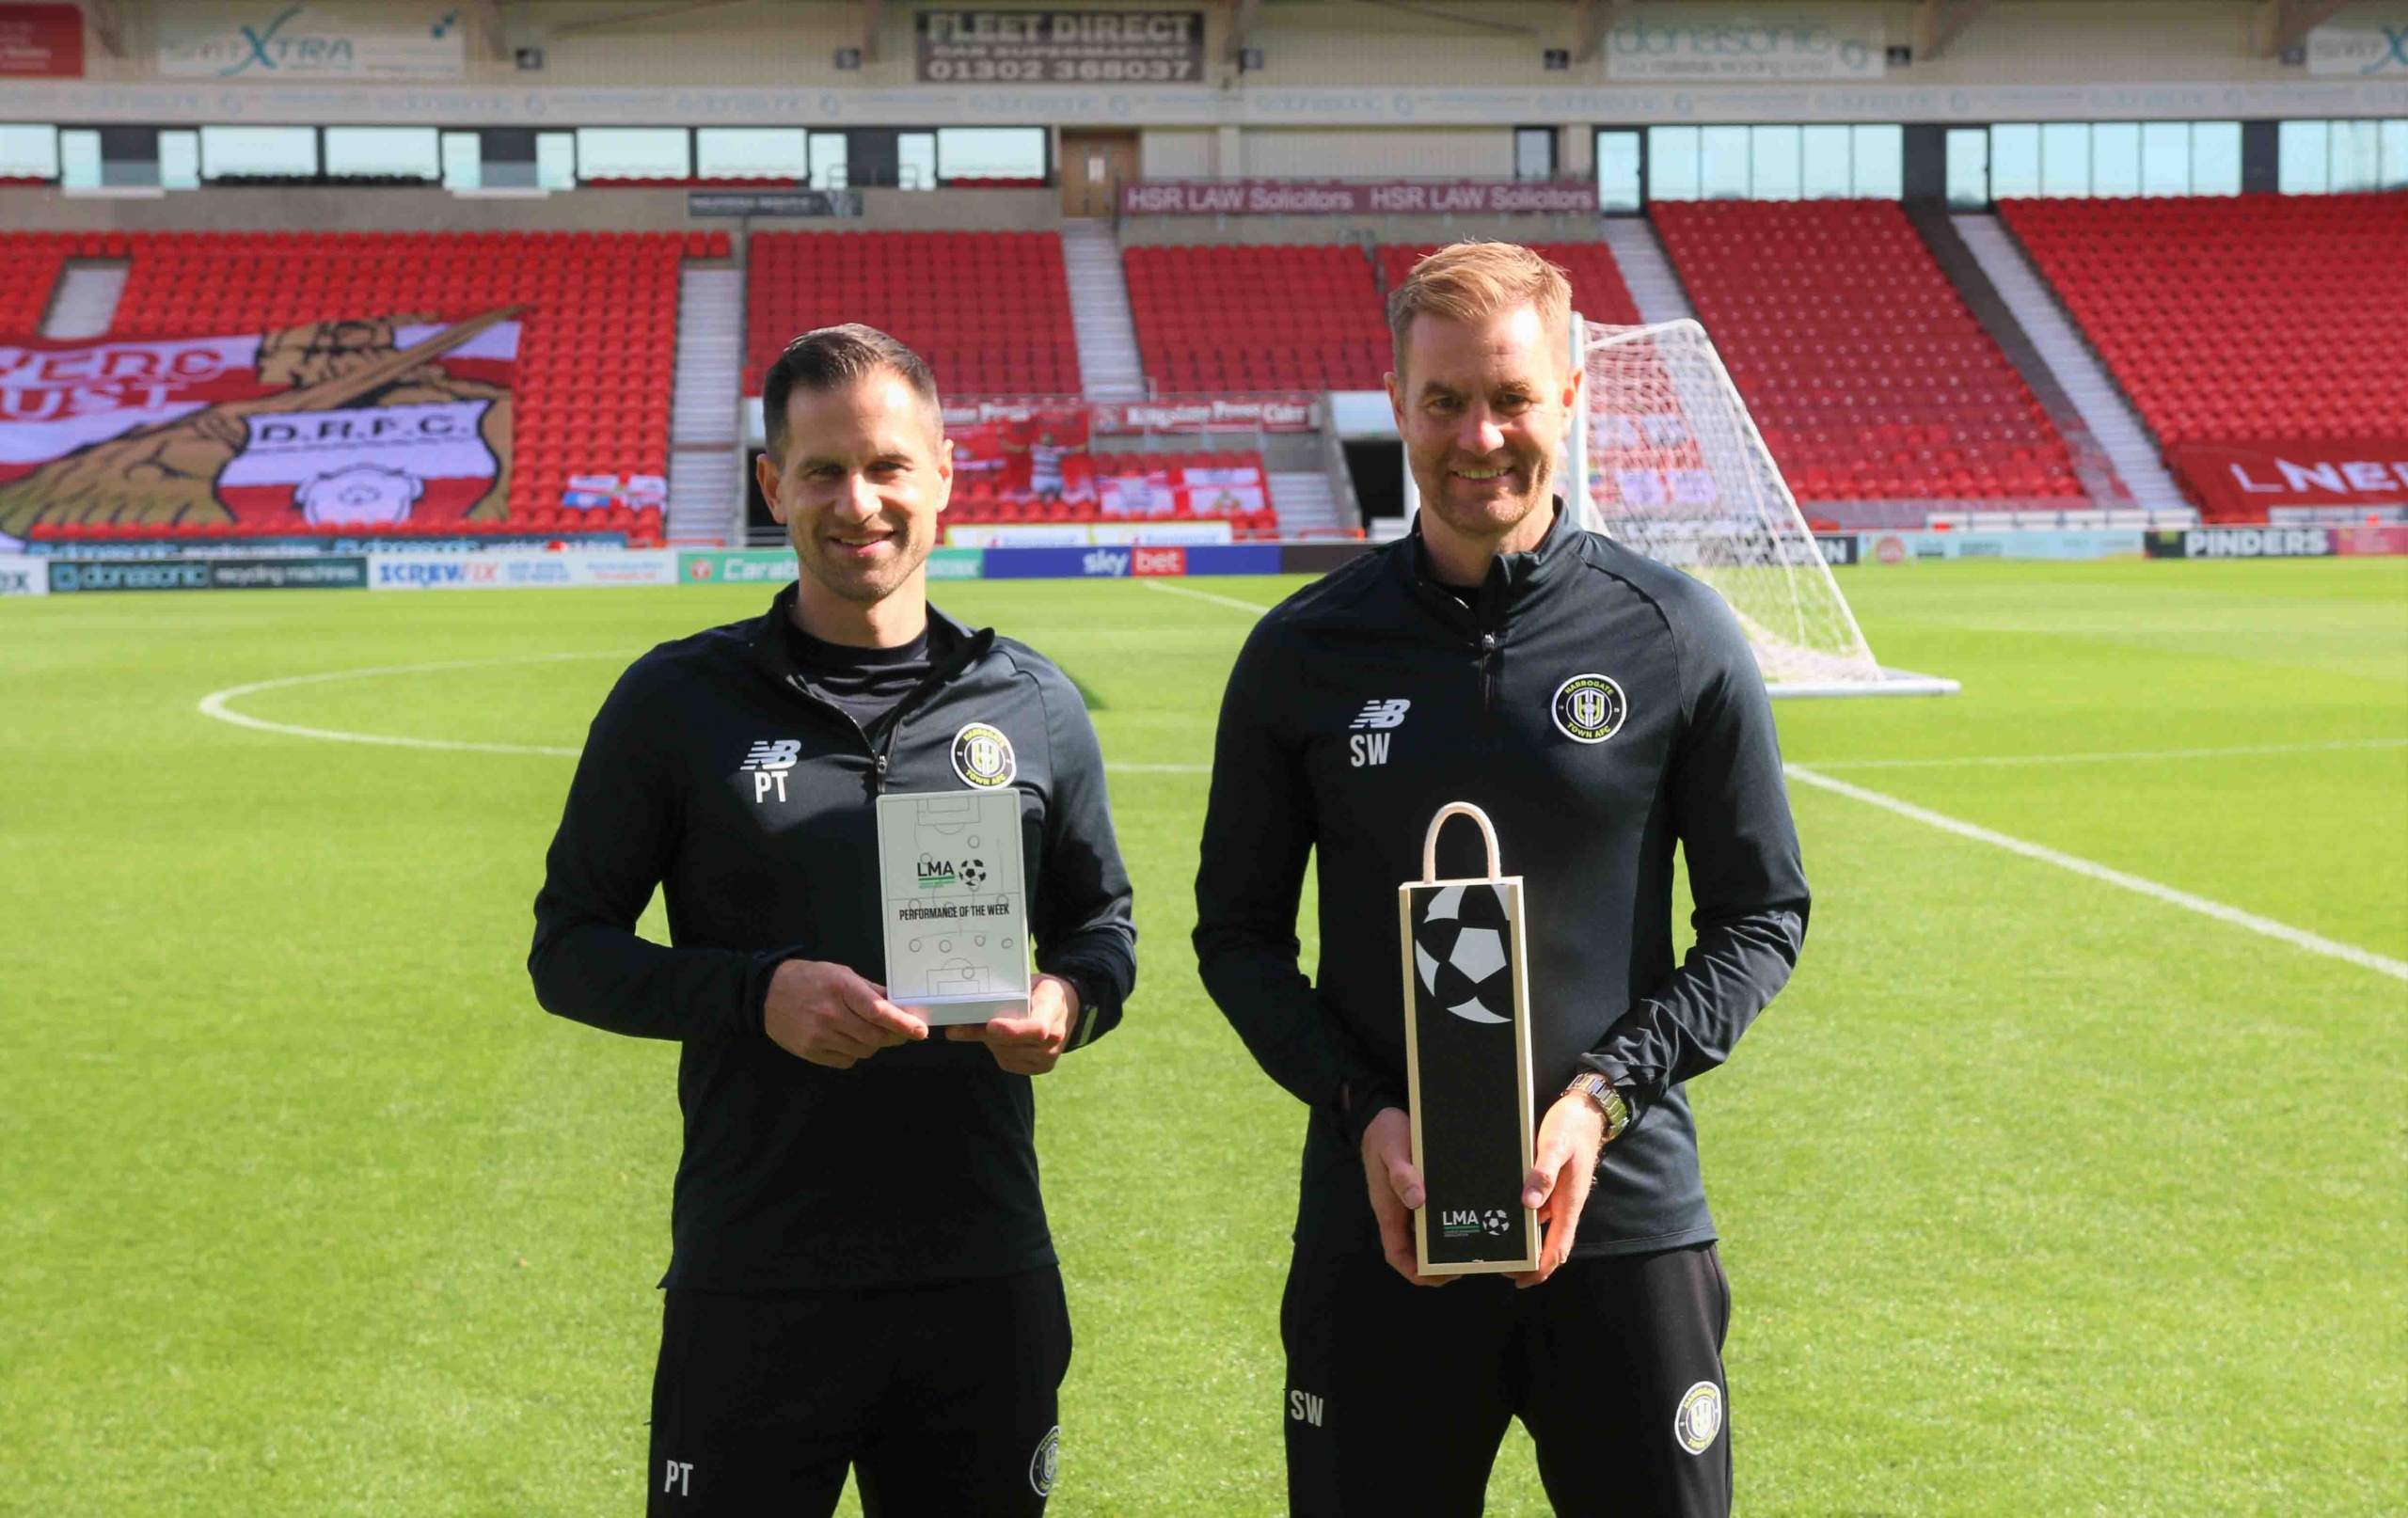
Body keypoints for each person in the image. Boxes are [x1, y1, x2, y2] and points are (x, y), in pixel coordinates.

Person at [1192, 242, 1808, 1516]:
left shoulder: (1675, 631)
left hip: (1625, 1220)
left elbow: (1760, 915)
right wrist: (1367, 1111)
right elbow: (1237, 935)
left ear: (1571, 397)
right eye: (1445, 400)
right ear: (1398, 403)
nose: (1481, 434)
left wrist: (1602, 1097)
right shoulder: (1302, 651)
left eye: (1513, 397)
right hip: (1384, 1230)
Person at [529, 324, 1135, 1516]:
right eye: (821, 471)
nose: (857, 504)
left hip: (980, 1270)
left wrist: (1065, 1002)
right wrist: (754, 996)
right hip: (756, 1275)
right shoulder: (677, 701)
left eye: (887, 467)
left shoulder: (1034, 705)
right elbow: (569, 949)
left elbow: (1102, 929)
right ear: (773, 485)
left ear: (943, 473)